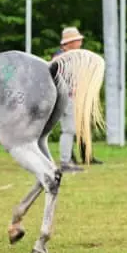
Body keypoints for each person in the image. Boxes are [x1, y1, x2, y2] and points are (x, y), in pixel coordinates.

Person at [52, 27, 100, 171]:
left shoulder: (66, 56)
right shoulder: (62, 59)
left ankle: (69, 159)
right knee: (69, 130)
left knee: (70, 129)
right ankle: (65, 161)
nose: (80, 42)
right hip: (66, 97)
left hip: (68, 97)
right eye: (77, 40)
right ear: (69, 43)